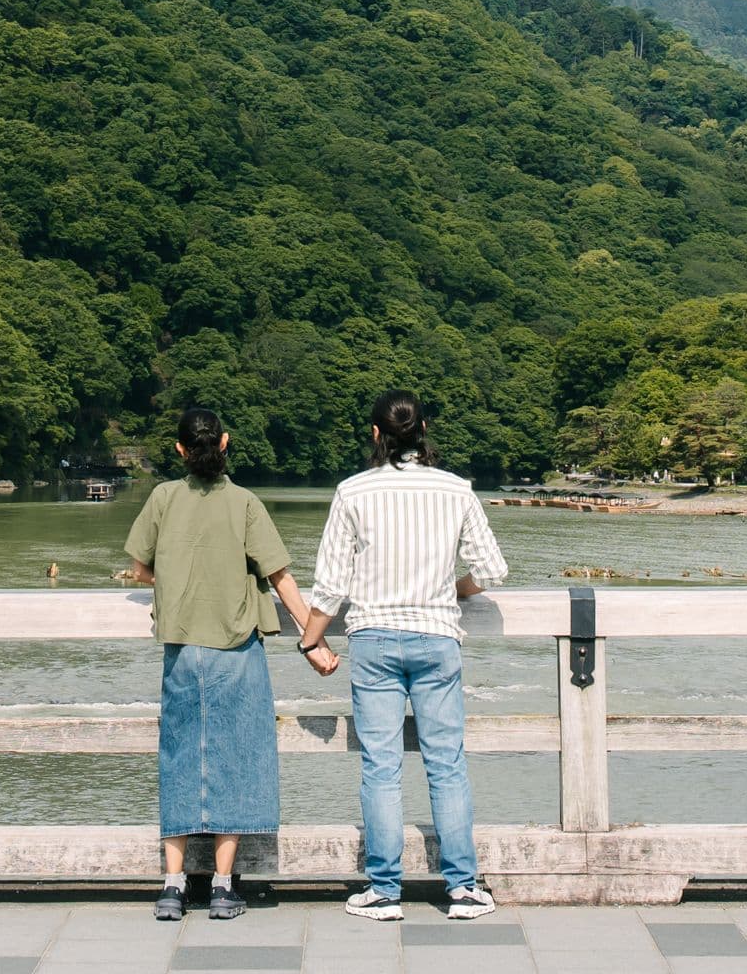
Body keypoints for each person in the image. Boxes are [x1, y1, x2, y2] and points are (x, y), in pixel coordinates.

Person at [123, 406, 337, 922]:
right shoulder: (244, 502)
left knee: (179, 756)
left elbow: (139, 568)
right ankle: (222, 886)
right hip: (237, 649)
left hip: (182, 648)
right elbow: (281, 578)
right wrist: (313, 641)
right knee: (236, 756)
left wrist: (178, 579)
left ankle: (172, 886)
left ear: (180, 449)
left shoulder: (162, 497)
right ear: (224, 443)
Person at [306, 389, 509, 921]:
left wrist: (310, 639)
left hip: (373, 637)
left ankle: (384, 890)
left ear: (375, 434)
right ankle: (462, 889)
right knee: (447, 764)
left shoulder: (352, 491)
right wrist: (454, 589)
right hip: (437, 635)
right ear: (424, 431)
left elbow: (330, 586)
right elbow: (491, 571)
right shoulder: (456, 489)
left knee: (381, 767)